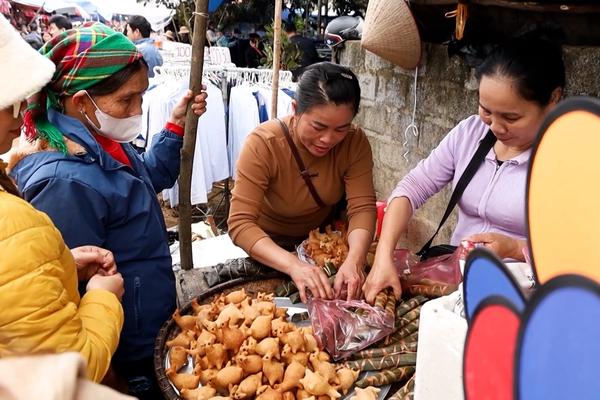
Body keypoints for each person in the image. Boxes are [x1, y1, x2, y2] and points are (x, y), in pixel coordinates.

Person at [8, 22, 207, 399]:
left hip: (143, 331)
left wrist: (174, 126)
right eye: (127, 101)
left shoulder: (101, 141)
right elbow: (69, 300)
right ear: (82, 101)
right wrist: (110, 382)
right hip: (122, 355)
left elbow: (145, 180)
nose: (137, 110)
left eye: (142, 97)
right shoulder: (65, 181)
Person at [362, 35, 565, 302]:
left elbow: (580, 253)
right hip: (452, 288)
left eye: (511, 117)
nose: (494, 126)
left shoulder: (566, 160)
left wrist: (515, 248)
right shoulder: (470, 133)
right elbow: (411, 189)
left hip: (518, 300)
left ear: (553, 99)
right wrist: (383, 256)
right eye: (486, 110)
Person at [0, 14, 124, 383]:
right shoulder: (57, 181)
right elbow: (69, 368)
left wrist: (59, 267)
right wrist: (102, 297)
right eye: (9, 102)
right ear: (84, 101)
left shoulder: (106, 147)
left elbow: (17, 293)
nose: (19, 113)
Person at [228, 62, 376, 303]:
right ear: (295, 109)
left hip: (320, 250)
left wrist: (354, 260)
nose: (328, 139)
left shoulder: (354, 143)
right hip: (269, 251)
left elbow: (362, 208)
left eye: (341, 128)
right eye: (318, 126)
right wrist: (293, 265)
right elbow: (240, 223)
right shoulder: (264, 144)